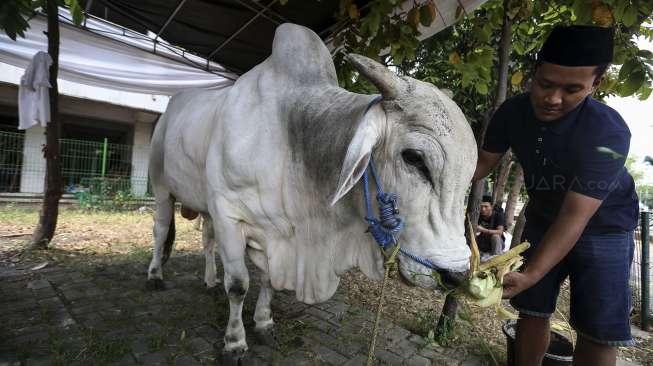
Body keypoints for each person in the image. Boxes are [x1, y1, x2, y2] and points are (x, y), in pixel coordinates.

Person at [473, 25, 639, 366]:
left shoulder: (609, 131)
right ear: (535, 71)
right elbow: (480, 165)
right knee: (531, 311)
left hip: (605, 227)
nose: (552, 98)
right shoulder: (511, 113)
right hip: (544, 219)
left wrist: (533, 272)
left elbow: (575, 216)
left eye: (572, 89)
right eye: (545, 83)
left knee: (597, 331)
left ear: (597, 84)